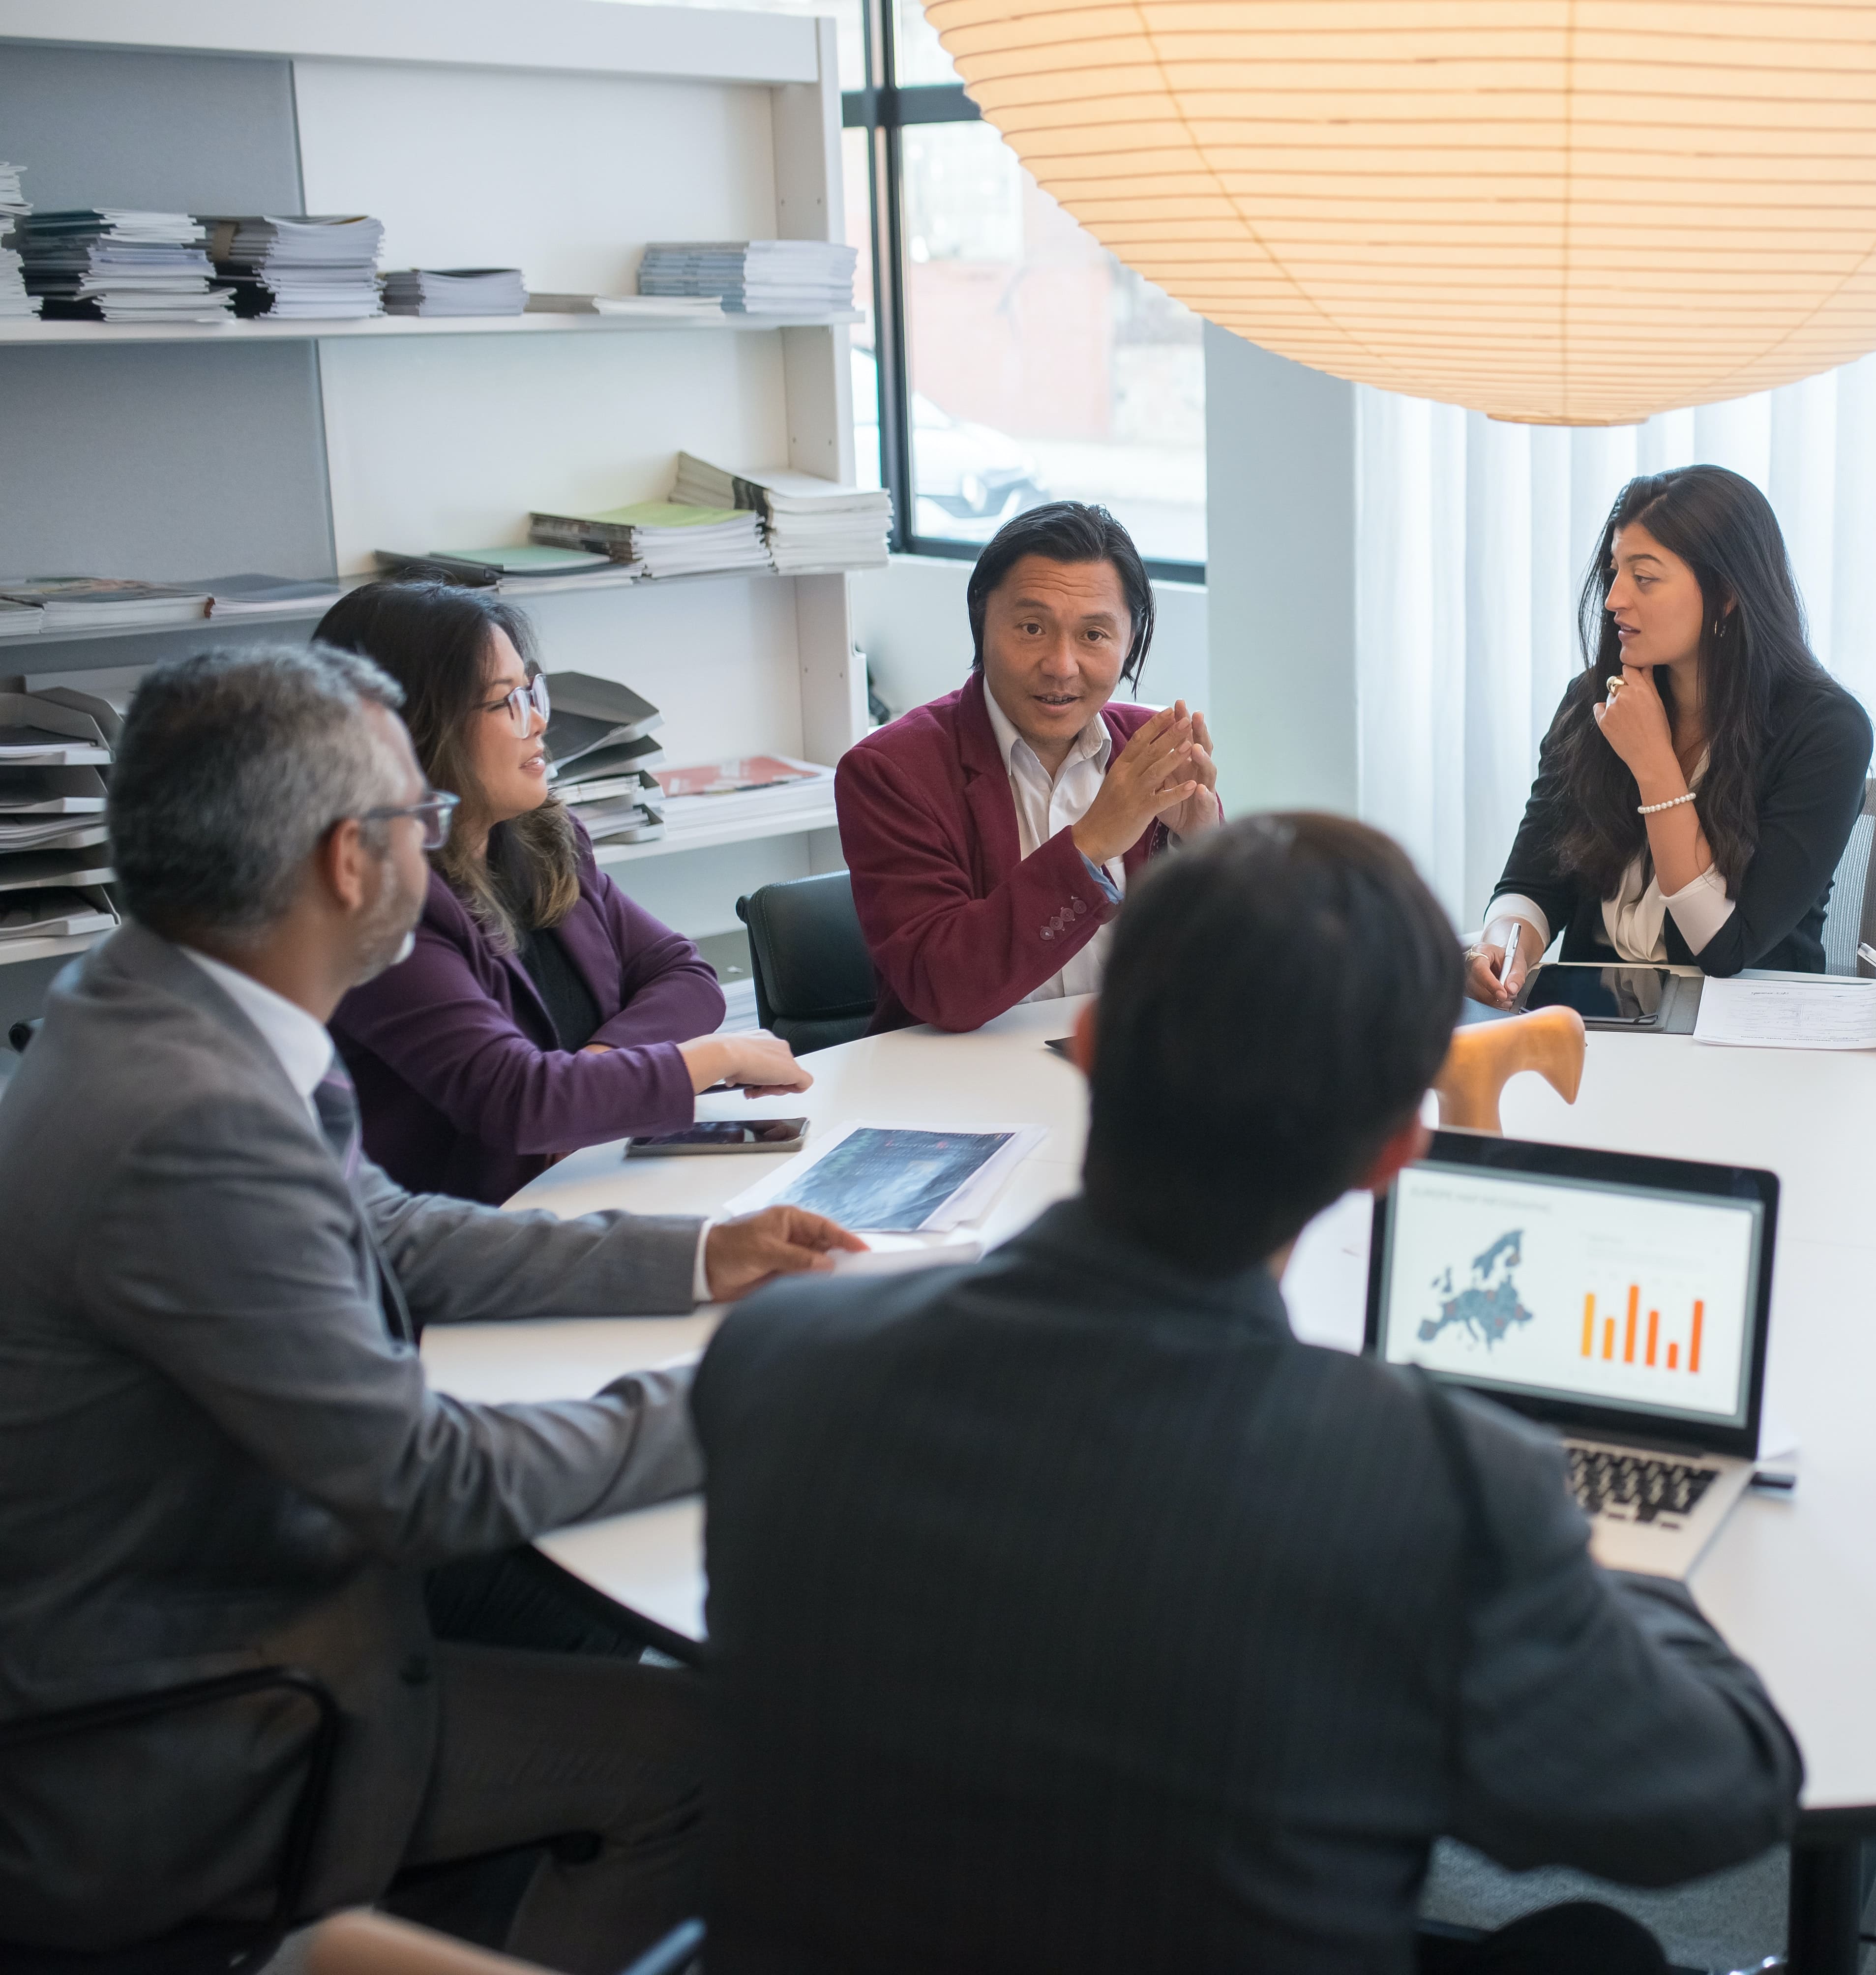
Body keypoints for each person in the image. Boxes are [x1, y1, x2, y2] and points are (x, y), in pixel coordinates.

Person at [696, 813, 1802, 1974]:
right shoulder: (1434, 1480)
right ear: (1392, 1153)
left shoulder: (780, 1354)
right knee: (1601, 1948)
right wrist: (1570, 1508)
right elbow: (1726, 1787)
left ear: (1087, 1043)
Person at [0, 647, 860, 1971]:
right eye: (418, 813)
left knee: (643, 1625)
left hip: (236, 1563)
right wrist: (742, 1395)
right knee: (707, 1752)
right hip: (186, 1706)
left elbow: (385, 1229)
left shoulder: (160, 1004)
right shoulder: (189, 1118)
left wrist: (697, 1254)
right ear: (351, 861)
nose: (442, 834)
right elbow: (422, 1480)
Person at [316, 581, 809, 1204]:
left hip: (593, 1184)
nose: (541, 720)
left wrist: (595, 1073)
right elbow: (516, 1099)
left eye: (533, 691)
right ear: (417, 728)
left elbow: (685, 975)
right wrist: (716, 1058)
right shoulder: (379, 897)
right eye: (507, 702)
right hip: (462, 1240)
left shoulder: (545, 837)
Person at [1467, 465, 1872, 1002]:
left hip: (1753, 1033)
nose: (1614, 599)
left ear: (1726, 593)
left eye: (1645, 577)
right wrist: (1505, 942)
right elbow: (1534, 882)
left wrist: (1653, 762)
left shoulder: (1826, 730)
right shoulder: (1592, 700)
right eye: (1614, 573)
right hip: (1600, 1021)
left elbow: (1725, 948)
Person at [834, 500, 1221, 1033]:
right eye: (1032, 627)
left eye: (1094, 635)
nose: (1061, 666)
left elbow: (1230, 975)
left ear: (1129, 640)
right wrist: (1090, 844)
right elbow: (943, 985)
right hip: (954, 1088)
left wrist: (1204, 850)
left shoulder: (1150, 749)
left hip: (1122, 1070)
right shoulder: (892, 771)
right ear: (981, 618)